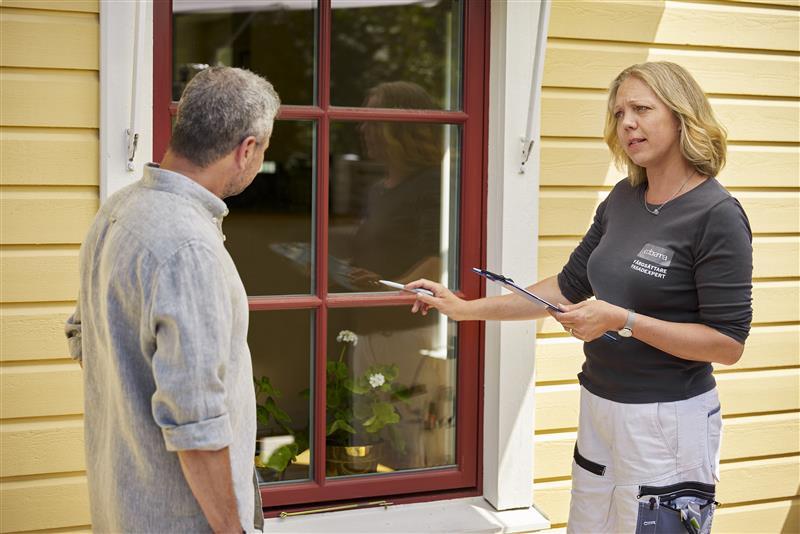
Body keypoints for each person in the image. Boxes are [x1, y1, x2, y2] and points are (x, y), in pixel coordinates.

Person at [407, 62, 753, 532]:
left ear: (680, 115)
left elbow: (726, 344)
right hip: (599, 404)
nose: (627, 122)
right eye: (618, 113)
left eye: (641, 109)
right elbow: (565, 288)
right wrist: (464, 309)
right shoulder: (622, 199)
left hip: (666, 421)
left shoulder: (717, 214)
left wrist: (622, 320)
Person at [65, 66, 280, 532]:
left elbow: (80, 335)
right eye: (263, 150)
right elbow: (197, 424)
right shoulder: (189, 250)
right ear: (246, 150)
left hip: (122, 507)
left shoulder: (117, 211)